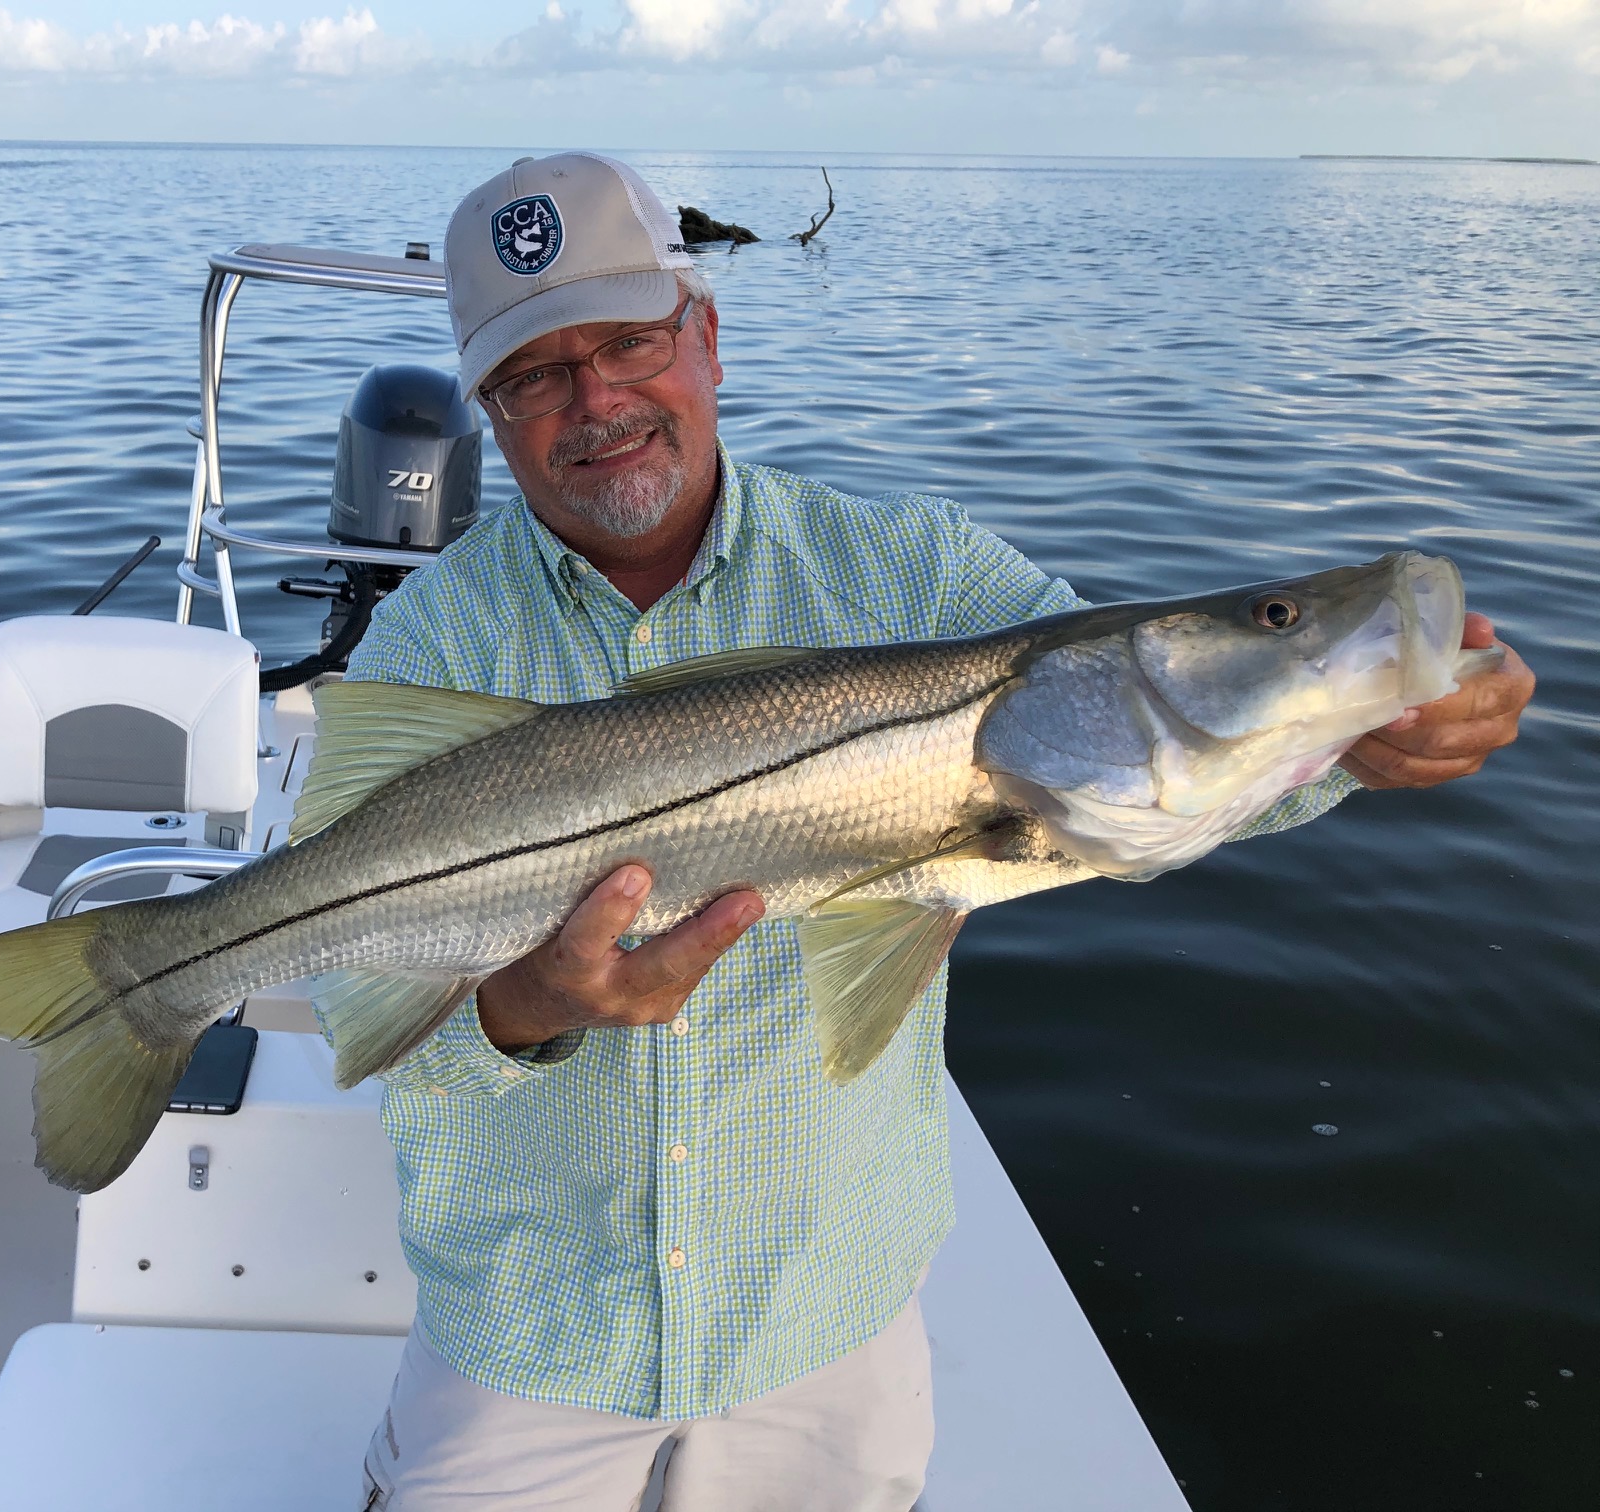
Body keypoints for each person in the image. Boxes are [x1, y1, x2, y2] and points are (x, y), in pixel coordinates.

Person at [341, 153, 1535, 1511]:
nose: (597, 400)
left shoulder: (922, 571)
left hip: (823, 1322)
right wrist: (526, 1005)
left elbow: (1144, 761)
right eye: (536, 374)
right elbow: (355, 998)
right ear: (489, 412)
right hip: (528, 1333)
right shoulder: (426, 642)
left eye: (627, 340)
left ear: (705, 336)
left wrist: (1354, 744)